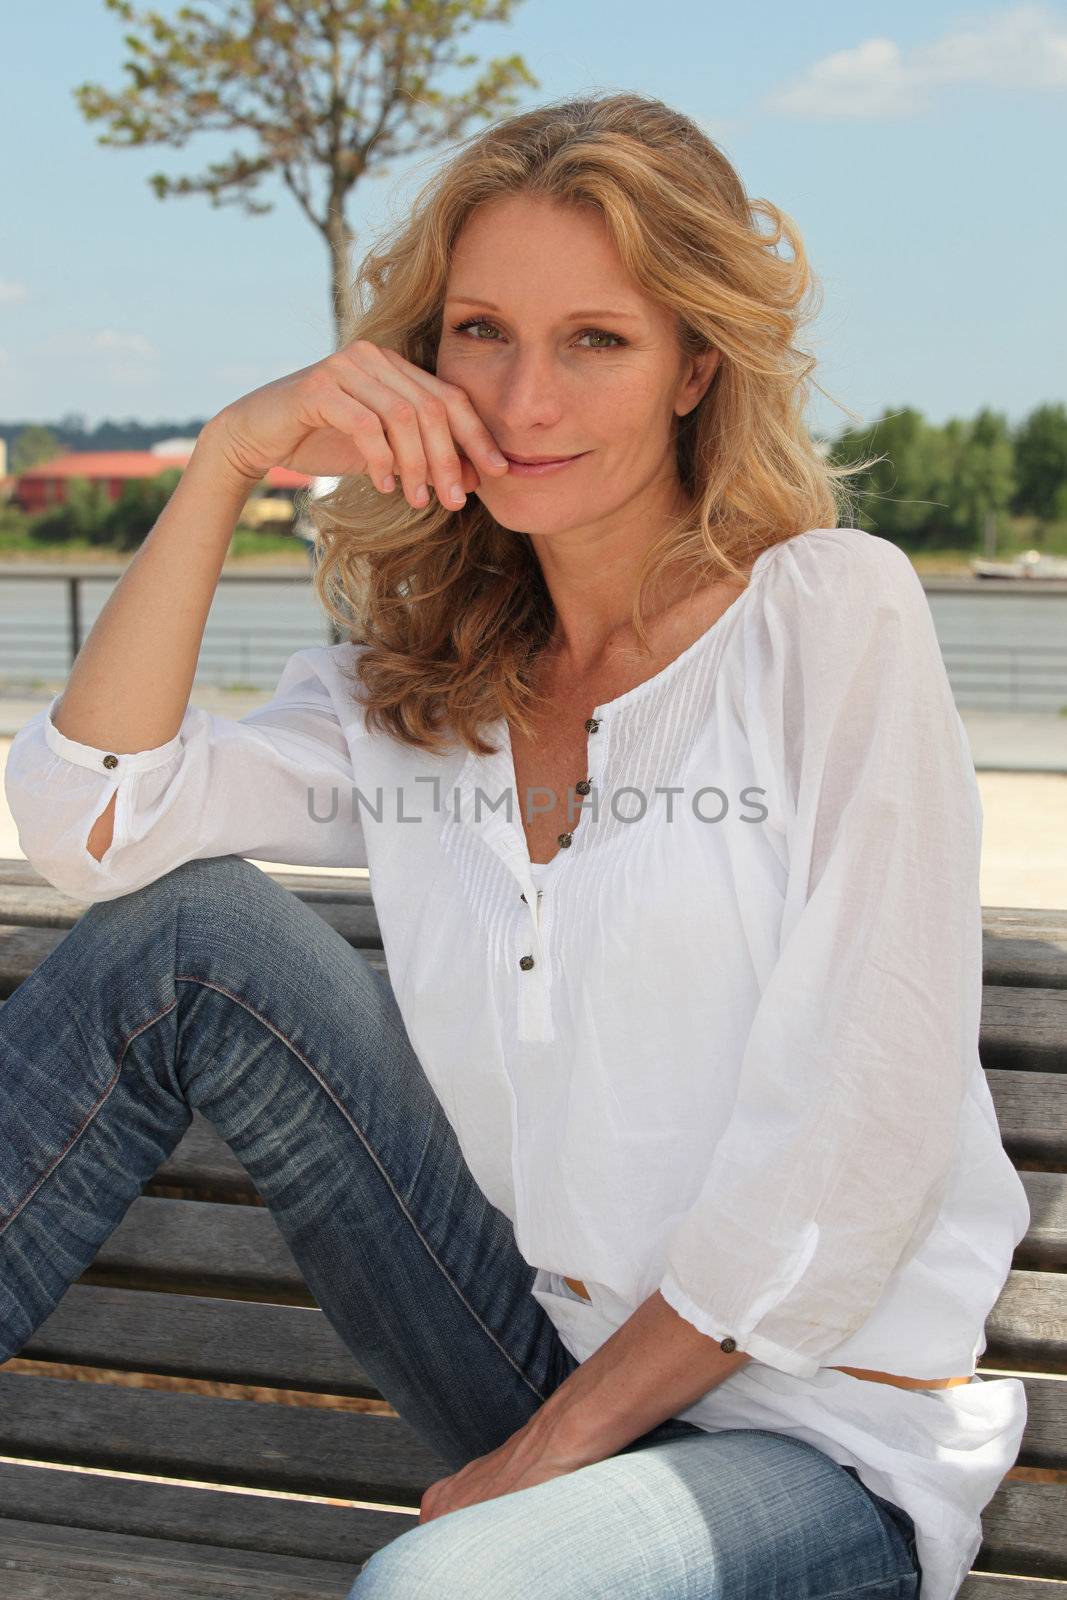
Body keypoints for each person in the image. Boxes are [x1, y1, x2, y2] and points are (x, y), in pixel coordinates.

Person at [0, 92, 1029, 1600]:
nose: (525, 400)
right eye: (481, 331)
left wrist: (540, 1467)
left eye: (595, 341)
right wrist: (226, 457)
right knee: (188, 934)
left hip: (820, 1444)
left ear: (694, 366)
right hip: (531, 1355)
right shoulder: (421, 689)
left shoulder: (829, 618)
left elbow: (852, 1153)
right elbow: (98, 828)